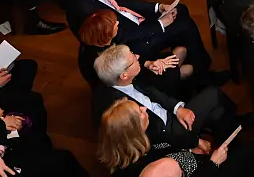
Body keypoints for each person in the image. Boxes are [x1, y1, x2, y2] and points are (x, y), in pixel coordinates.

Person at [65, 0, 211, 77]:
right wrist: (160, 25)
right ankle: (202, 71)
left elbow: (121, 4)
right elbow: (120, 37)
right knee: (186, 26)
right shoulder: (85, 10)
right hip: (133, 43)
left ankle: (191, 60)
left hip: (134, 24)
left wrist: (157, 7)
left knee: (181, 9)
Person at [92, 45, 238, 147]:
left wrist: (176, 109)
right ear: (124, 75)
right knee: (213, 92)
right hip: (168, 132)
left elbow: (152, 92)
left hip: (170, 114)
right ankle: (235, 120)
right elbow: (149, 137)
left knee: (217, 114)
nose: (138, 57)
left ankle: (231, 134)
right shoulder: (119, 109)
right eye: (134, 59)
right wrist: (192, 142)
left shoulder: (124, 78)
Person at [98, 99, 254, 177]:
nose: (145, 110)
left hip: (196, 161)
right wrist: (214, 163)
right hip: (207, 172)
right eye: (140, 112)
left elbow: (165, 148)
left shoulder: (130, 147)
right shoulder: (148, 172)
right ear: (133, 129)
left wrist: (189, 150)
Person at [77, 9, 191, 90]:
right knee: (188, 69)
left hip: (139, 67)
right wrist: (152, 66)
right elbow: (129, 76)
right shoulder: (103, 59)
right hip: (137, 81)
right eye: (114, 25)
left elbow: (131, 58)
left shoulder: (101, 42)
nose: (117, 23)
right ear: (106, 35)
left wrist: (149, 63)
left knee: (181, 51)